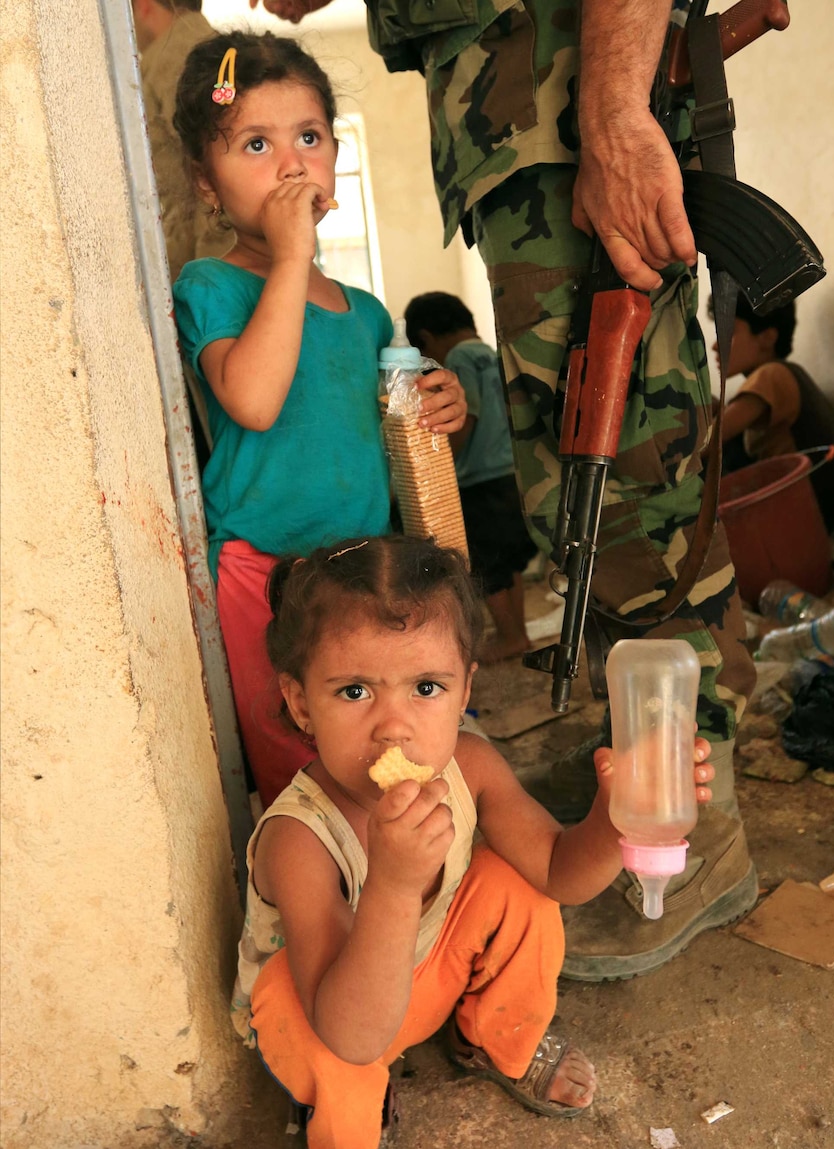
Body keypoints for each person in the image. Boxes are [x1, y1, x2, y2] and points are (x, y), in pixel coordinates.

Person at [247, 0, 760, 985]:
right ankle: (635, 769)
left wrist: (612, 114)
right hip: (517, 128)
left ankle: (693, 825)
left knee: (632, 483)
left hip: (567, 106)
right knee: (569, 489)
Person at [230, 533, 717, 1149]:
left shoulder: (471, 765)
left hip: (425, 976)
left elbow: (557, 872)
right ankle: (345, 1119)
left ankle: (495, 1036)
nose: (395, 727)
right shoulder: (298, 838)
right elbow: (350, 1033)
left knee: (517, 884)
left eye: (426, 688)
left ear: (465, 690)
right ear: (301, 703)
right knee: (332, 1055)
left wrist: (619, 816)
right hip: (337, 1017)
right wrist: (396, 882)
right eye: (354, 691)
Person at [171, 33, 467, 809]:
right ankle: (312, 908)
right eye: (256, 144)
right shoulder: (210, 285)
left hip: (356, 578)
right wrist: (293, 258)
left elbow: (394, 435)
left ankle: (389, 893)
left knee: (367, 749)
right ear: (207, 183)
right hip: (259, 576)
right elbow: (254, 399)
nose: (291, 163)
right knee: (294, 766)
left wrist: (443, 405)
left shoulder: (366, 313)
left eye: (309, 137)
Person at [404, 291, 538, 661]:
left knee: (486, 562)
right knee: (507, 559)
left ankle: (509, 635)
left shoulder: (460, 358)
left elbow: (466, 417)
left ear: (426, 339)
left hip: (477, 478)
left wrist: (442, 462)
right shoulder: (490, 353)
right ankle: (520, 633)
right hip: (509, 473)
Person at [713, 295, 834, 531]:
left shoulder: (771, 375)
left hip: (801, 512)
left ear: (767, 338)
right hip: (812, 507)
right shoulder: (785, 373)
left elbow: (711, 441)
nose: (715, 345)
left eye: (728, 332)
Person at [132, 0, 233, 282]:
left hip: (212, 258)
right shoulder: (194, 45)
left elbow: (219, 165)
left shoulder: (179, 50)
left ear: (144, 6)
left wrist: (209, 278)